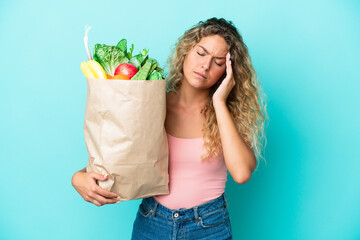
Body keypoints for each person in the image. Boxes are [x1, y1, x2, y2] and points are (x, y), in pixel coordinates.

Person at [72, 17, 268, 240]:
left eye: (218, 62)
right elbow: (116, 156)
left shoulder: (227, 115)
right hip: (152, 222)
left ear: (228, 72)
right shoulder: (150, 103)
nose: (205, 65)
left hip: (208, 227)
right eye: (201, 53)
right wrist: (78, 178)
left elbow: (242, 173)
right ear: (186, 51)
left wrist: (219, 103)